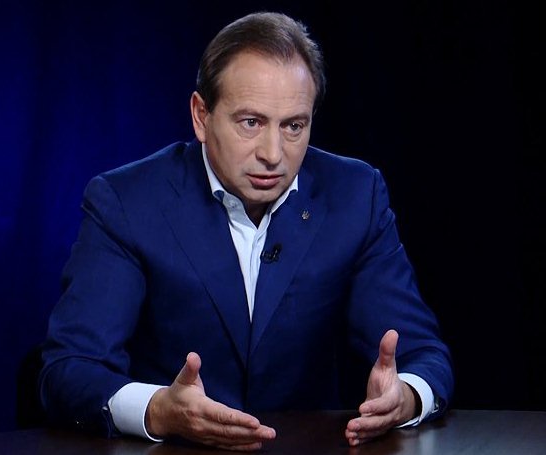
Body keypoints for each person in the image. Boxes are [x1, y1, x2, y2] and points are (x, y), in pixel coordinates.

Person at [39, 11, 454, 450]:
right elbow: (70, 369)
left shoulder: (355, 195)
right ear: (201, 116)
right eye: (251, 123)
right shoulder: (127, 202)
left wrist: (405, 396)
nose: (273, 154)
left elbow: (423, 356)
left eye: (294, 126)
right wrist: (159, 410)